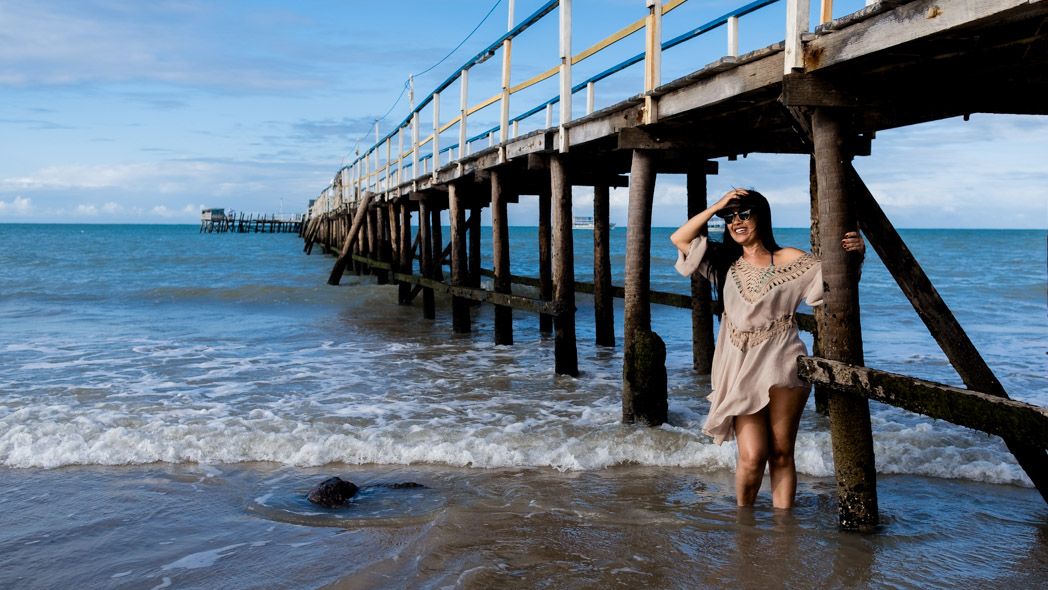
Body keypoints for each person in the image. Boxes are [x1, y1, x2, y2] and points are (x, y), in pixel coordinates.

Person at [670, 188, 865, 509]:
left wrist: (857, 254)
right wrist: (719, 204)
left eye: (745, 214)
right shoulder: (722, 261)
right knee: (751, 457)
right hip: (740, 370)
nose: (736, 221)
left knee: (781, 453)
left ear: (763, 217)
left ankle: (781, 529)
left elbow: (835, 280)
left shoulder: (791, 259)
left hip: (783, 365)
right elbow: (680, 238)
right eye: (730, 217)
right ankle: (743, 522)